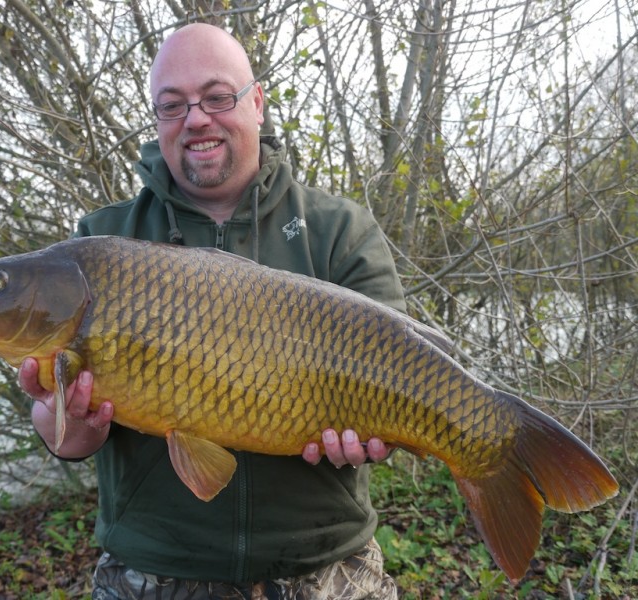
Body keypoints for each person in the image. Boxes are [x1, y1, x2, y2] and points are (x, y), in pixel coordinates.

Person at [20, 23, 406, 600]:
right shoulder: (100, 244)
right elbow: (66, 439)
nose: (195, 119)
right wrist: (69, 423)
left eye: (217, 97)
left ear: (256, 103)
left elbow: (404, 378)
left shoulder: (338, 231)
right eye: (172, 106)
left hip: (326, 569)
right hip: (150, 573)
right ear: (156, 121)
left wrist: (385, 430)